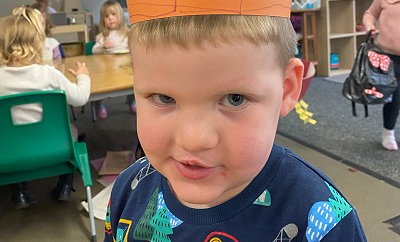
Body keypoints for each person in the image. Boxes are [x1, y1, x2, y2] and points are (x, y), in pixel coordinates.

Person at [103, 15, 367, 241]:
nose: (194, 140)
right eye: (164, 98)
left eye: (234, 99)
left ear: (286, 88)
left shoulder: (323, 220)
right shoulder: (129, 189)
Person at [0, 6, 91, 209]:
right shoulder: (49, 74)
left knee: (8, 136)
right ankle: (64, 187)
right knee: (73, 131)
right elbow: (81, 98)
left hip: (6, 152)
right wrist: (83, 75)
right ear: (37, 43)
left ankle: (21, 192)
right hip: (56, 147)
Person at [363, 0, 400, 151]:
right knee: (394, 97)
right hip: (388, 58)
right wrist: (370, 26)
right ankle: (388, 131)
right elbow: (370, 14)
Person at [92, 0, 136, 119]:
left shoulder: (127, 34)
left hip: (125, 66)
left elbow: (135, 48)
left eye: (113, 14)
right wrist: (102, 47)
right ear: (103, 20)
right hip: (108, 69)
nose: (110, 18)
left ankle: (132, 100)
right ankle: (99, 103)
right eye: (107, 16)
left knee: (134, 83)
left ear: (121, 16)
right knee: (102, 85)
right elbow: (94, 50)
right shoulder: (103, 36)